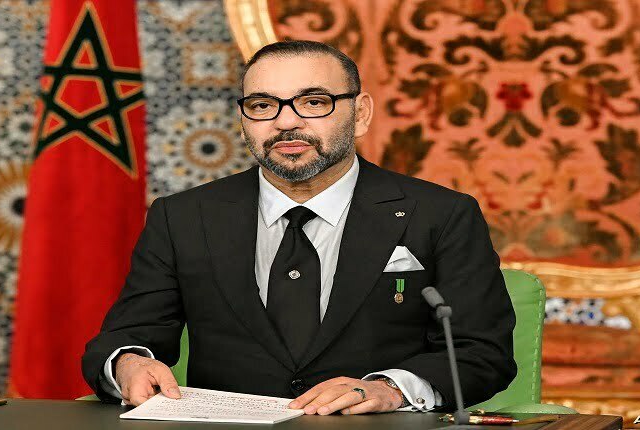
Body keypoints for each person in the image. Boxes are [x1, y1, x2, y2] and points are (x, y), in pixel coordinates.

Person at [82, 40, 516, 415]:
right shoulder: (182, 216)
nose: (286, 122)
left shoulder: (442, 214)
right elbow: (126, 336)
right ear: (243, 121)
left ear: (361, 114)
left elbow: (481, 353)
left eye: (313, 102)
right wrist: (128, 363)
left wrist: (391, 389)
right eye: (262, 106)